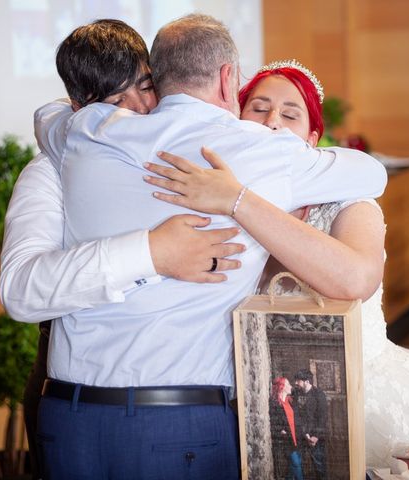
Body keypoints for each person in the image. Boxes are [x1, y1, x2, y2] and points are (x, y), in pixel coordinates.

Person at [30, 14, 386, 478]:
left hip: (67, 415)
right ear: (228, 81)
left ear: (158, 77)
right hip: (178, 424)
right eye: (258, 105)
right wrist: (240, 193)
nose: (272, 121)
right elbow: (371, 172)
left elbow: (48, 116)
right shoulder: (262, 152)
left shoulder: (88, 128)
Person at [143, 58, 409, 467]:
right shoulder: (212, 203)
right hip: (248, 400)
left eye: (290, 114)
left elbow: (355, 279)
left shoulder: (349, 203)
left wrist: (241, 201)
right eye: (258, 107)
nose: (272, 121)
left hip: (354, 395)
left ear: (312, 138)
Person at [0, 19, 245, 479]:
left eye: (147, 86)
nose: (137, 110)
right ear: (81, 109)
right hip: (80, 412)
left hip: (192, 414)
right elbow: (20, 289)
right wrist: (152, 253)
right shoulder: (54, 169)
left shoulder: (196, 153)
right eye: (114, 103)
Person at [294, 369, 328, 479]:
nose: (295, 383)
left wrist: (315, 436)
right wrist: (305, 434)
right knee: (299, 465)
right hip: (302, 435)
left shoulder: (319, 394)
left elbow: (322, 418)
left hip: (316, 438)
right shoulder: (296, 394)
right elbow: (296, 416)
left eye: (298, 381)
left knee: (319, 466)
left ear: (307, 382)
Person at [271, 377, 305, 480]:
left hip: (297, 438)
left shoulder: (290, 401)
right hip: (287, 440)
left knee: (292, 468)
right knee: (296, 464)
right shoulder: (275, 403)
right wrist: (280, 431)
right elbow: (273, 422)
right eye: (288, 384)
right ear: (282, 387)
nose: (291, 386)